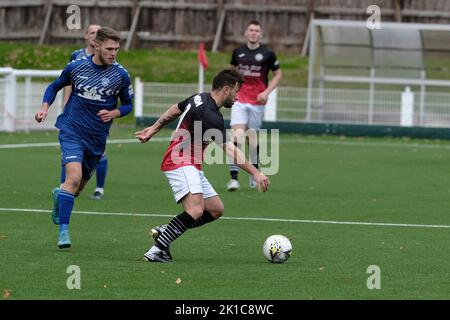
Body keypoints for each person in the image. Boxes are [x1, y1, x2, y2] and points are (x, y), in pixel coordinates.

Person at [135, 69, 270, 263]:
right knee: (197, 209)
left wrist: (153, 129)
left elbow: (175, 109)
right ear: (226, 89)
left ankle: (167, 230)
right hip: (180, 161)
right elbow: (230, 150)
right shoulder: (210, 115)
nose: (238, 97)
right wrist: (256, 172)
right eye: (236, 91)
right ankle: (157, 250)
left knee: (215, 209)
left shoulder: (199, 98)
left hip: (190, 163)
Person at [35, 27, 133, 249]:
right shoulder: (77, 66)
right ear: (96, 46)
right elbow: (54, 86)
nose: (114, 53)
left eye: (117, 49)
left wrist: (114, 113)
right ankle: (63, 232)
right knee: (74, 178)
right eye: (109, 48)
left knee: (76, 189)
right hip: (72, 130)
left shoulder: (120, 75)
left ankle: (60, 195)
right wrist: (44, 108)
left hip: (97, 138)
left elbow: (128, 105)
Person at [227, 20, 282, 191]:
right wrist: (231, 92)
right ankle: (234, 179)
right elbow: (231, 73)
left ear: (261, 34)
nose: (253, 33)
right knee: (236, 137)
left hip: (257, 103)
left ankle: (254, 173)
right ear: (245, 33)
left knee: (252, 140)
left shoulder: (268, 54)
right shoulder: (238, 52)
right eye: (250, 30)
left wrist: (266, 92)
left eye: (256, 30)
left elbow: (278, 75)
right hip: (240, 101)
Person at [61, 24, 108, 200]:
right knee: (70, 151)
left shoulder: (108, 58)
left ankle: (99, 189)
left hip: (97, 113)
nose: (95, 36)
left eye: (98, 33)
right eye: (92, 33)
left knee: (100, 151)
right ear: (86, 36)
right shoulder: (77, 56)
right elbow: (68, 82)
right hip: (76, 112)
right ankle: (65, 189)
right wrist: (65, 105)